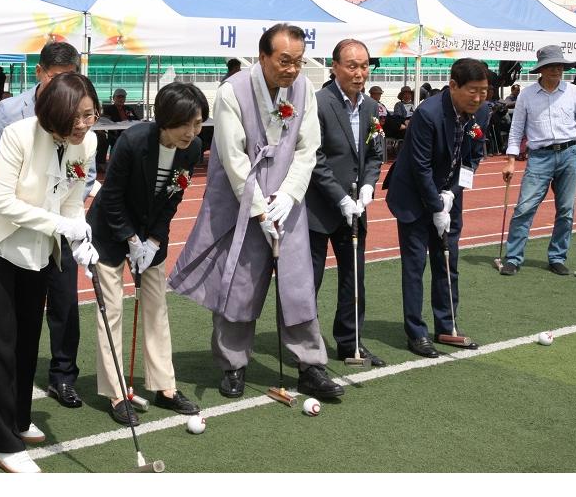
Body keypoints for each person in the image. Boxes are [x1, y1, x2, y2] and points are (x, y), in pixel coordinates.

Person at [169, 23, 344, 401]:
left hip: (287, 202)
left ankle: (310, 365)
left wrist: (289, 195)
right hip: (242, 203)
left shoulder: (304, 90)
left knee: (298, 283)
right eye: (284, 61)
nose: (292, 69)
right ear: (263, 56)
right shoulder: (233, 91)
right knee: (239, 284)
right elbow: (233, 158)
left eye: (297, 62)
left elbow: (306, 147)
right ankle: (233, 364)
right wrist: (261, 211)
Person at [0, 73, 101, 473]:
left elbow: (71, 197)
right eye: (77, 117)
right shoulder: (19, 134)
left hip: (37, 251)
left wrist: (79, 236)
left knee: (27, 339)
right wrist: (60, 226)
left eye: (91, 115)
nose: (85, 124)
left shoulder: (86, 142)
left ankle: (17, 418)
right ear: (54, 114)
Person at [0, 40, 94, 410]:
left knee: (63, 305)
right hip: (8, 236)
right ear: (41, 73)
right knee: (8, 330)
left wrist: (78, 230)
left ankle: (61, 377)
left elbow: (77, 186)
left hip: (55, 235)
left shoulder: (83, 135)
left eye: (72, 79)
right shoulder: (13, 116)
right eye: (57, 78)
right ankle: (6, 411)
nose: (66, 89)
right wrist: (45, 217)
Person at [87, 82, 209, 425]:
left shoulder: (193, 148)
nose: (192, 132)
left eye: (198, 123)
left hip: (151, 233)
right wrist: (130, 239)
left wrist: (154, 240)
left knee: (156, 307)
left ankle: (164, 387)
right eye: (185, 123)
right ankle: (115, 393)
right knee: (111, 309)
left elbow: (173, 199)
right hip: (110, 231)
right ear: (165, 118)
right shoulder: (135, 140)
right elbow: (110, 196)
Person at [383, 58, 491, 357]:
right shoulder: (428, 114)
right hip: (413, 197)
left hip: (447, 195)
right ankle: (416, 333)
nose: (479, 97)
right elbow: (419, 166)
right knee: (415, 265)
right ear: (453, 85)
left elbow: (472, 157)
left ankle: (447, 326)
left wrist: (452, 195)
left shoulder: (482, 111)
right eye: (473, 90)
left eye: (484, 91)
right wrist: (436, 205)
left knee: (448, 262)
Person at [305, 39, 385, 365]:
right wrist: (339, 197)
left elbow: (375, 154)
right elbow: (315, 157)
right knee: (310, 281)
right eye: (352, 65)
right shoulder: (319, 103)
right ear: (335, 66)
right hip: (318, 209)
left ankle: (350, 340)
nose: (359, 72)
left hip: (356, 208)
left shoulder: (370, 107)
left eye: (364, 65)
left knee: (354, 276)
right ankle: (305, 348)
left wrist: (367, 187)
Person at [500, 46, 576, 277]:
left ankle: (557, 257)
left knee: (566, 210)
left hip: (570, 154)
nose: (557, 70)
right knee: (524, 208)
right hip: (539, 156)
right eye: (552, 66)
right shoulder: (527, 95)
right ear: (541, 69)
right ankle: (512, 258)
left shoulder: (574, 92)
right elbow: (516, 128)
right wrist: (511, 159)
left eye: (560, 66)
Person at [96, 87, 141, 171]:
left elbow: (137, 120)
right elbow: (104, 120)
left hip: (131, 133)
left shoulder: (129, 109)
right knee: (104, 141)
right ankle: (104, 164)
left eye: (123, 97)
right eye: (119, 97)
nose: (121, 99)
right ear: (114, 98)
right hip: (115, 134)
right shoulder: (108, 109)